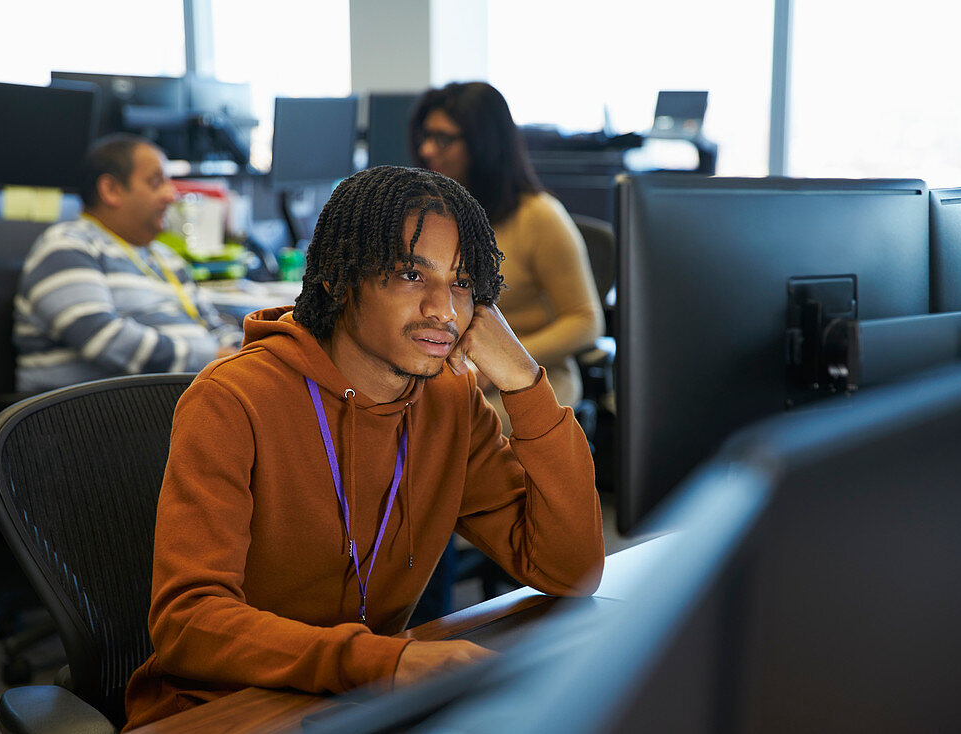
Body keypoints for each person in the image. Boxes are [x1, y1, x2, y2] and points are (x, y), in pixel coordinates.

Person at [121, 165, 605, 729]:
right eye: (409, 274)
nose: (444, 311)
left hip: (361, 702)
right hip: (221, 709)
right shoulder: (234, 400)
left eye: (463, 283)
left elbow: (569, 570)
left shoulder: (448, 401)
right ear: (336, 277)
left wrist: (525, 383)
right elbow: (189, 623)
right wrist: (382, 661)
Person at [409, 81, 604, 433]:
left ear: (483, 145)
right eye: (425, 135)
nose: (425, 150)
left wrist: (501, 361)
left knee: (438, 434)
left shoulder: (539, 216)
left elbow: (586, 320)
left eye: (443, 139)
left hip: (526, 381)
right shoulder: (431, 216)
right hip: (447, 372)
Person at [13, 134, 241, 392]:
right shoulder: (67, 246)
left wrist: (245, 353)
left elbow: (211, 324)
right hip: (95, 419)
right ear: (111, 190)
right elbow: (103, 338)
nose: (171, 195)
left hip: (180, 402)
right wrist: (212, 359)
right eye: (156, 183)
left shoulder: (165, 257)